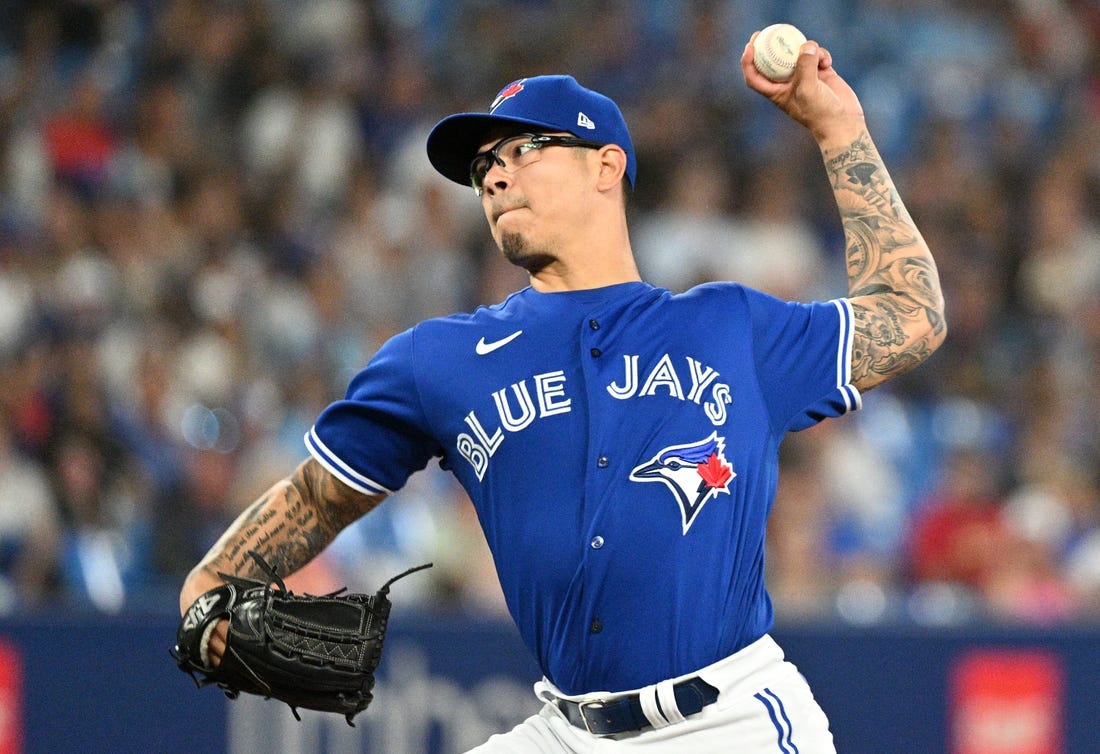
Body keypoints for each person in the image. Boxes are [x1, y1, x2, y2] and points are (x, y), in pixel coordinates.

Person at [180, 32, 946, 753]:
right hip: (566, 731)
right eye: (483, 168)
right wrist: (211, 581)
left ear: (606, 166)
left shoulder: (729, 327)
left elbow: (911, 315)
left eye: (523, 148)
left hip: (732, 723)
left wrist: (839, 125)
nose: (495, 176)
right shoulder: (439, 361)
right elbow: (317, 499)